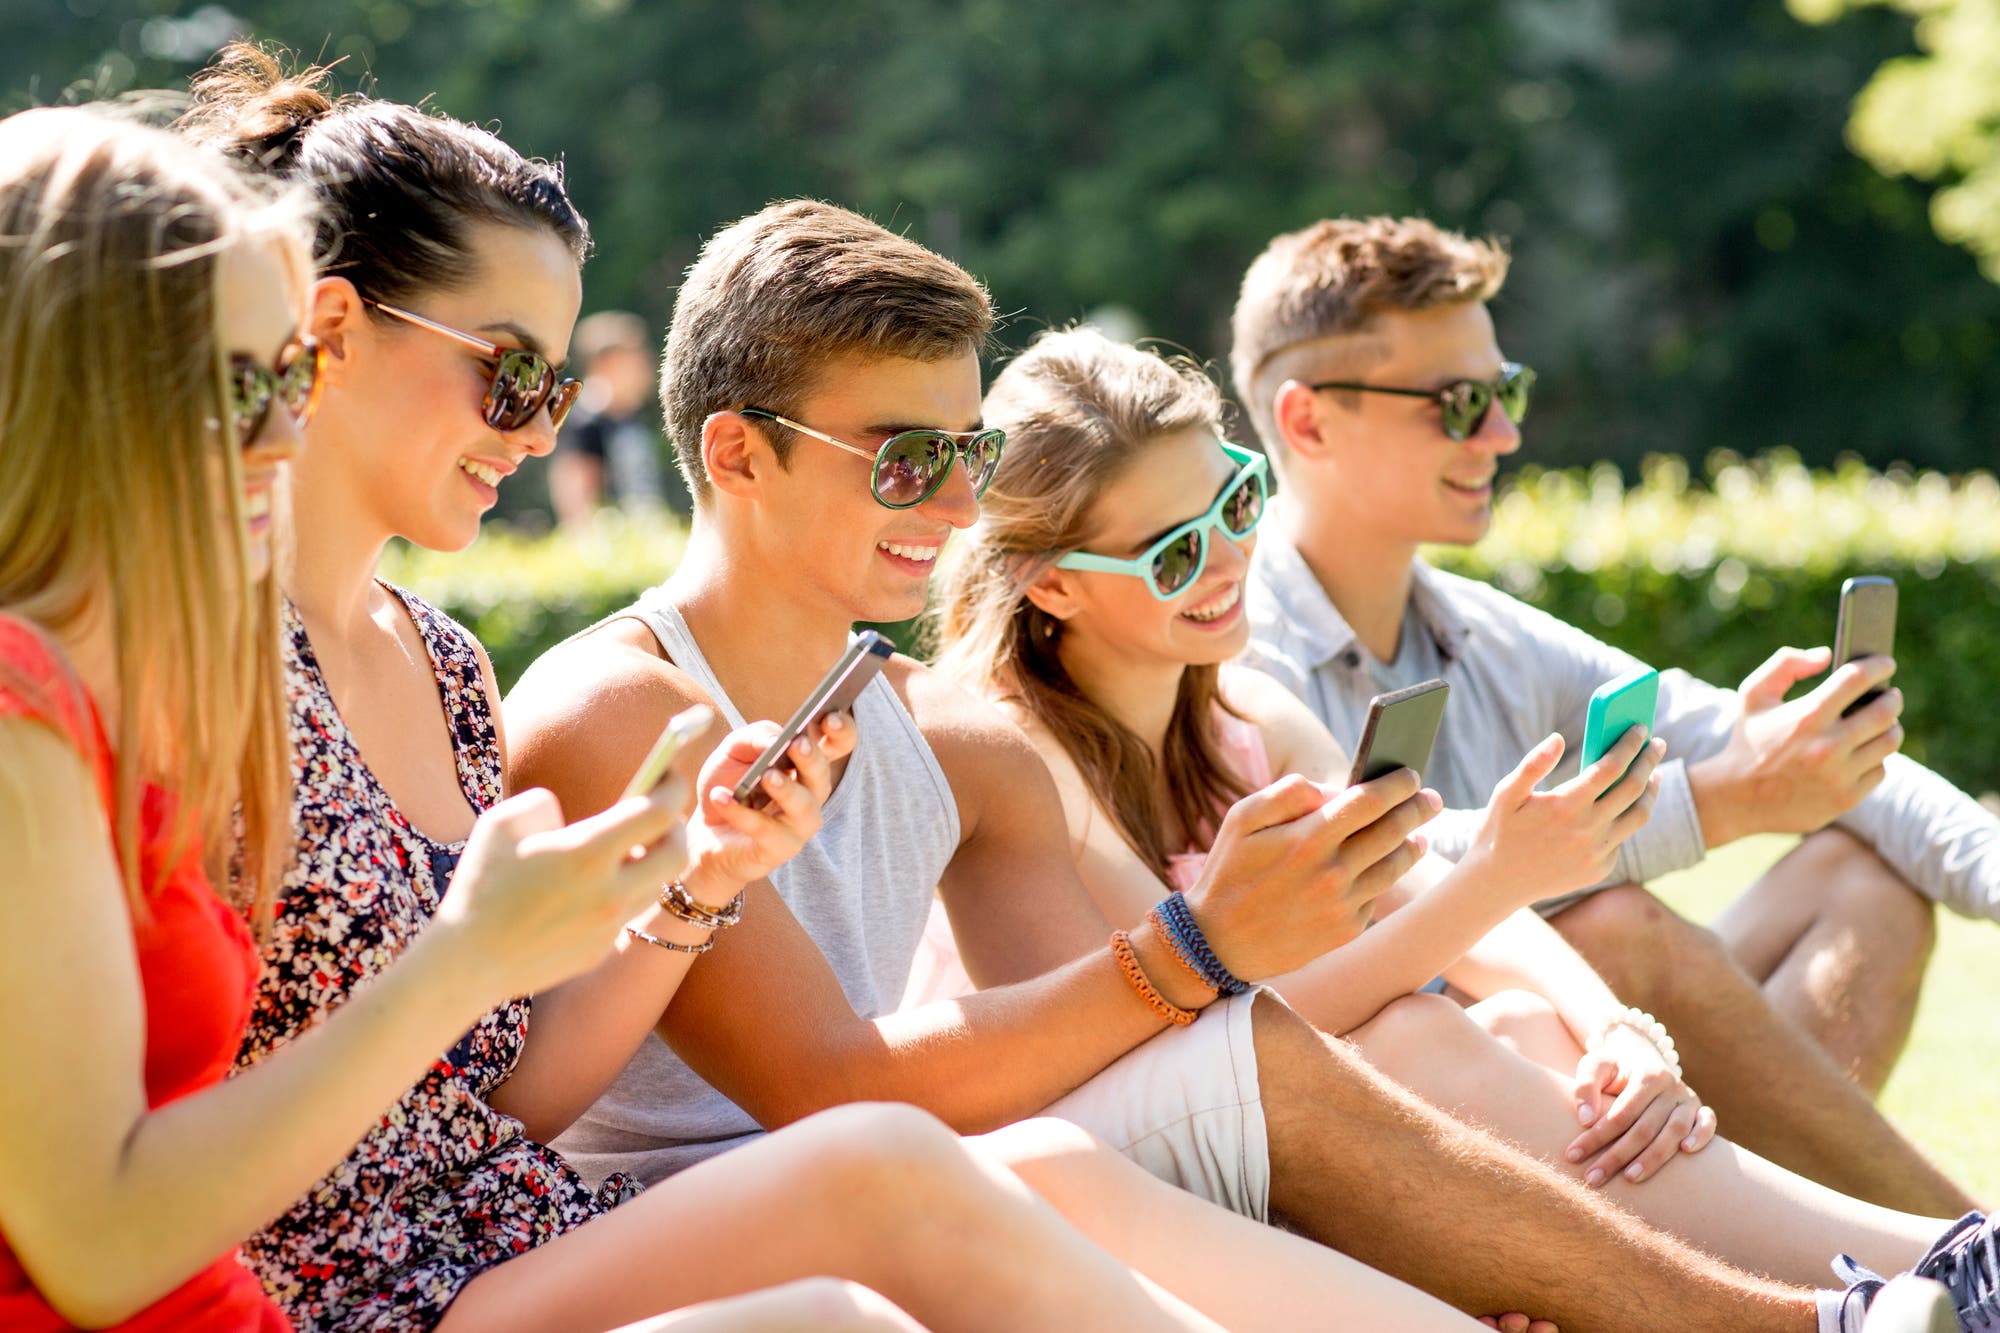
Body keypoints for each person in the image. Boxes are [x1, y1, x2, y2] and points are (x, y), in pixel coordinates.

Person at [505, 194, 1981, 1333]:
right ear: (738, 455)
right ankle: (1842, 1307)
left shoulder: (924, 723)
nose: (950, 506)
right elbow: (828, 1084)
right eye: (906, 463)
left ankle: (1902, 1282)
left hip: (905, 1169)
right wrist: (1203, 947)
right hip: (693, 1218)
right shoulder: (626, 707)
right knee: (1281, 1050)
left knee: (1384, 1031)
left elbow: (1107, 1043)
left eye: (964, 459)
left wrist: (1253, 959)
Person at [176, 46, 1264, 1333]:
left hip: (504, 1239)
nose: (536, 433)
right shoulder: (189, 669)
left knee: (1024, 1171)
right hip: (335, 1292)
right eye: (509, 372)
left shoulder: (446, 663)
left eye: (557, 387)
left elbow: (501, 1102)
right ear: (337, 330)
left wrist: (701, 879)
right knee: (878, 1198)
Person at [931, 320, 1996, 1291]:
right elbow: (1233, 1035)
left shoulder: (1246, 713)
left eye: (1236, 502)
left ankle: (1889, 1277)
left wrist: (1618, 1032)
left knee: (1529, 1019)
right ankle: (1927, 1269)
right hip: (1131, 1174)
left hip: (1300, 1128)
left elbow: (1424, 898)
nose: (1225, 561)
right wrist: (1500, 876)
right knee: (1413, 1036)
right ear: (1051, 585)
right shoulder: (1027, 759)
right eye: (1173, 553)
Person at [0, 105, 693, 1332]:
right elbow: (102, 1245)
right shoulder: (43, 698)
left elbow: (465, 1099)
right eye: (243, 383)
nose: (282, 429)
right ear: (83, 382)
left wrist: (683, 892)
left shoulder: (114, 677)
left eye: (288, 379)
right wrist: (468, 956)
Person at [1230, 214, 1990, 1219]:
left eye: (1504, 393)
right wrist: (1714, 805)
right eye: (1458, 403)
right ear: (1307, 420)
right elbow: (1374, 872)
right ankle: (1957, 1250)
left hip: (1580, 1080)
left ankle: (1801, 1253)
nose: (1501, 432)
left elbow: (1781, 747)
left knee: (1863, 876)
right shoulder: (1231, 643)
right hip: (1390, 1110)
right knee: (1615, 933)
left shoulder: (1486, 632)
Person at [550, 310, 690, 525]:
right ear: (606, 363)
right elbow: (577, 500)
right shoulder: (586, 421)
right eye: (635, 361)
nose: (646, 369)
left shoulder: (630, 419)